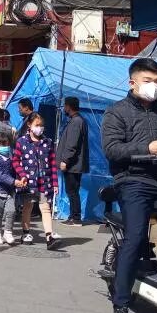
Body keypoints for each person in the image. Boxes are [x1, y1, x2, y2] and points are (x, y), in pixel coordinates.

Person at [102, 58, 157, 313]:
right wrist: (147, 147)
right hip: (133, 182)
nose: (154, 87)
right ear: (133, 83)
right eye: (148, 81)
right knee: (135, 238)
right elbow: (112, 150)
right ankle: (121, 305)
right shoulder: (116, 112)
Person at [13, 112, 60, 250]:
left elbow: (52, 164)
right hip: (28, 183)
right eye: (37, 125)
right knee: (28, 206)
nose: (40, 128)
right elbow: (15, 161)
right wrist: (22, 174)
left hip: (44, 183)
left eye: (42, 125)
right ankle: (26, 233)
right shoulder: (21, 142)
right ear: (29, 125)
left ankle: (49, 237)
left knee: (46, 208)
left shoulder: (48, 142)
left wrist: (55, 183)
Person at [0, 128, 23, 246]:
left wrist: (21, 178)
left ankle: (8, 232)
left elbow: (15, 170)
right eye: (5, 144)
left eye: (8, 144)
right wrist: (14, 182)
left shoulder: (11, 158)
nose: (7, 146)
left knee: (11, 211)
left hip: (9, 191)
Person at [57, 96, 89, 226]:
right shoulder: (77, 120)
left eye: (65, 106)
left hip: (73, 164)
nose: (64, 108)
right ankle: (73, 216)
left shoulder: (76, 121)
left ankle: (75, 218)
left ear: (69, 106)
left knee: (72, 191)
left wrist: (65, 160)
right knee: (72, 191)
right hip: (74, 164)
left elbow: (72, 144)